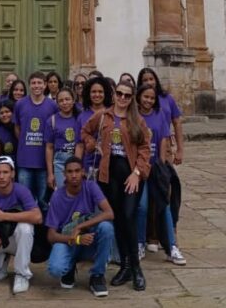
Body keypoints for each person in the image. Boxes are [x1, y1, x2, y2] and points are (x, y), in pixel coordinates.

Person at [82, 81, 150, 291]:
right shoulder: (103, 116)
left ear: (132, 99)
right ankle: (125, 267)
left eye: (127, 95)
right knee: (118, 219)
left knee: (129, 216)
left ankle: (136, 268)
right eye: (119, 94)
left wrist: (137, 174)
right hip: (108, 176)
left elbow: (145, 150)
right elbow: (85, 131)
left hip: (130, 176)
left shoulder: (137, 121)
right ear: (114, 95)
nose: (122, 98)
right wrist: (92, 145)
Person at [45, 157, 115, 298]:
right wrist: (75, 239)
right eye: (70, 172)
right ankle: (69, 267)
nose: (74, 175)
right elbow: (51, 235)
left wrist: (81, 226)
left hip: (88, 238)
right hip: (69, 240)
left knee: (106, 228)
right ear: (64, 174)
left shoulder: (90, 186)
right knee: (55, 269)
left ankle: (97, 275)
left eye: (77, 171)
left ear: (83, 171)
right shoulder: (57, 196)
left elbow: (109, 213)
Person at [135, 83, 184, 265]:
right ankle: (140, 242)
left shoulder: (160, 115)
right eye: (145, 97)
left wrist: (161, 164)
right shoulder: (134, 116)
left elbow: (163, 139)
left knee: (164, 206)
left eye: (152, 98)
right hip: (140, 168)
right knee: (142, 207)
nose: (148, 100)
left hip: (155, 167)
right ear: (139, 97)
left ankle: (171, 246)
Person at [0, 155, 42, 294]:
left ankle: (22, 274)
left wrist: (4, 216)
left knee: (25, 227)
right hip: (1, 239)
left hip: (19, 239)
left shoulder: (21, 190)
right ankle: (2, 261)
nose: (1, 176)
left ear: (12, 173)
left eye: (5, 172)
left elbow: (37, 217)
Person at [14, 72, 57, 211]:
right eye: (33, 83)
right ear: (29, 85)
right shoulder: (20, 104)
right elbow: (17, 128)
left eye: (39, 83)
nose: (36, 86)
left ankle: (42, 233)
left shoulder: (52, 106)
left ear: (45, 85)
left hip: (43, 163)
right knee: (26, 202)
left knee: (43, 203)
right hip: (24, 161)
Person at [137, 67, 185, 165]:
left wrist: (180, 150)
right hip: (143, 144)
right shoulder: (138, 102)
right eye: (145, 80)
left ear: (156, 80)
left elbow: (177, 123)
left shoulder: (167, 98)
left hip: (164, 142)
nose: (149, 82)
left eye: (151, 79)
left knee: (164, 174)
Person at [45, 87, 79, 192]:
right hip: (60, 161)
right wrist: (50, 173)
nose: (64, 102)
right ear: (57, 103)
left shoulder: (79, 118)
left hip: (77, 158)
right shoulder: (52, 120)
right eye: (61, 100)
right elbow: (49, 148)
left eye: (67, 99)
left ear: (73, 100)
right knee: (62, 193)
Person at [78, 77, 113, 175]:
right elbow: (80, 145)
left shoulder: (112, 113)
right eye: (93, 92)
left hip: (109, 165)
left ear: (105, 93)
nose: (97, 95)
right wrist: (78, 167)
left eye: (100, 92)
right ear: (88, 94)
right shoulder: (82, 116)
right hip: (88, 165)